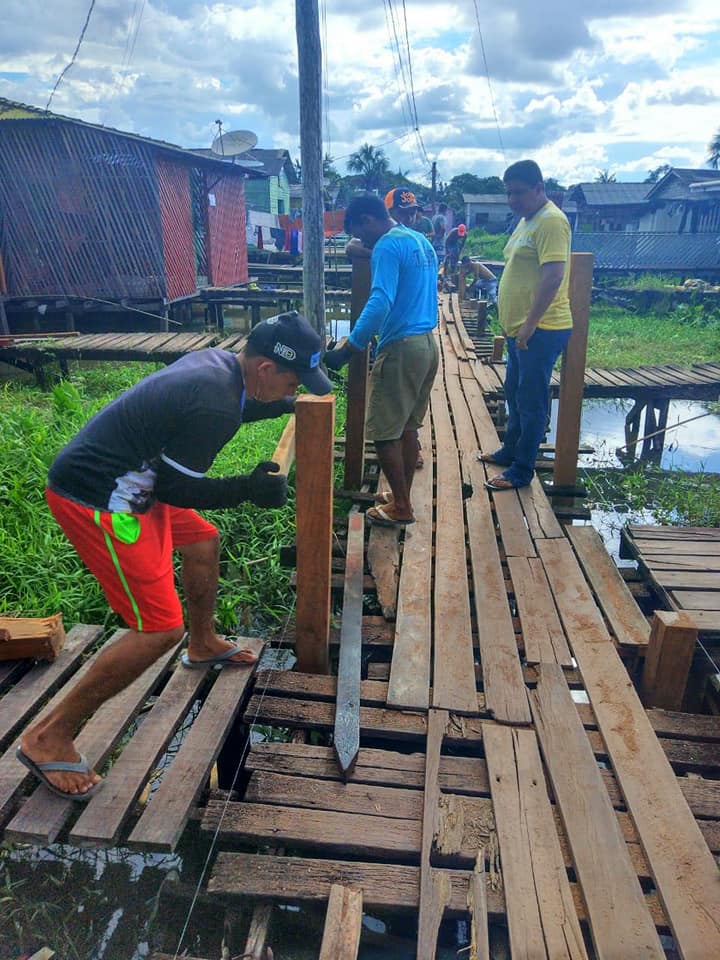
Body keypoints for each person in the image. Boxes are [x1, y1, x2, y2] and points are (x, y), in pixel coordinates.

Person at [17, 312, 332, 799]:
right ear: (266, 367)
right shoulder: (216, 404)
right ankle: (47, 734)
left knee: (201, 540)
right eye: (291, 381)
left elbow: (235, 409)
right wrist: (247, 489)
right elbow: (176, 487)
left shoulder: (223, 367)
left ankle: (202, 642)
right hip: (101, 497)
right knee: (158, 628)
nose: (293, 388)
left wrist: (284, 406)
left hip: (134, 479)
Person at [324, 193, 439, 526]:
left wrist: (350, 348)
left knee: (385, 432)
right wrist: (357, 250)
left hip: (402, 347)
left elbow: (380, 301)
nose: (362, 241)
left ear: (367, 220)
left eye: (360, 234)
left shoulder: (388, 245)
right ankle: (400, 496)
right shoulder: (418, 241)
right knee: (407, 428)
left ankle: (401, 508)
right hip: (428, 345)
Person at [478, 159, 572, 491]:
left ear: (538, 188)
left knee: (531, 401)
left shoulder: (551, 222)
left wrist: (530, 324)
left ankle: (521, 470)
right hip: (521, 329)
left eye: (519, 192)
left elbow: (554, 276)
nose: (513, 199)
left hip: (542, 329)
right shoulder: (526, 221)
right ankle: (509, 451)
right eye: (509, 193)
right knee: (514, 393)